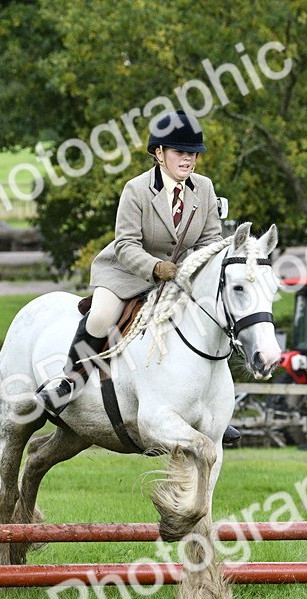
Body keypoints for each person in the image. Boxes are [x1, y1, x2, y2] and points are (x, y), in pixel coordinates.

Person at [37, 111, 240, 443]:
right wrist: (155, 268)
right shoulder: (136, 189)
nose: (188, 158)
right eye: (179, 152)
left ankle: (212, 409)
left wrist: (203, 268)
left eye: (192, 152)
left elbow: (209, 242)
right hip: (127, 272)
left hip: (178, 278)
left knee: (211, 324)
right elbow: (125, 244)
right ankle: (69, 381)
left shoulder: (203, 189)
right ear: (159, 153)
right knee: (101, 316)